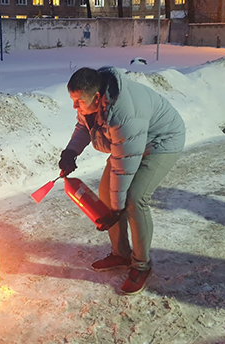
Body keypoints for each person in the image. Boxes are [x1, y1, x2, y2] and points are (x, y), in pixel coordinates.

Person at [59, 66, 185, 295]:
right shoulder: (94, 98)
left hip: (161, 142)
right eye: (73, 100)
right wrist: (71, 151)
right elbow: (84, 125)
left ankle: (141, 265)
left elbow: (124, 165)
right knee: (107, 195)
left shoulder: (124, 114)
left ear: (97, 97)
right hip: (134, 141)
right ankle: (121, 254)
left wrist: (116, 210)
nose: (74, 106)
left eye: (78, 101)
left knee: (135, 199)